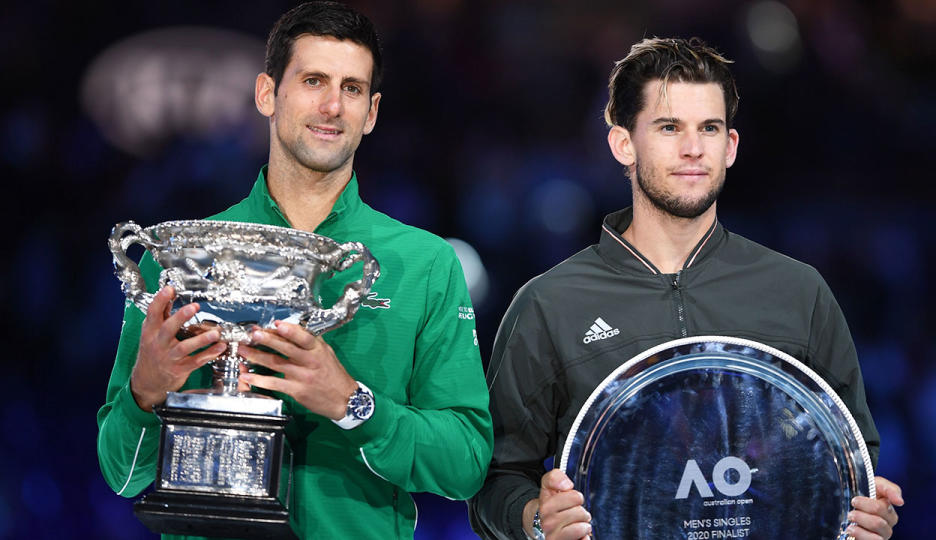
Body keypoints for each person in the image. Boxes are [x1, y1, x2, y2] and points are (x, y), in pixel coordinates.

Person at [468, 37, 903, 540]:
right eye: (669, 127)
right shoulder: (550, 304)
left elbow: (850, 461)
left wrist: (868, 516)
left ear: (731, 146)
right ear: (623, 143)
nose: (693, 148)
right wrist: (536, 518)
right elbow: (495, 479)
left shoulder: (798, 292)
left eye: (710, 128)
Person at [96, 2, 493, 538]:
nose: (332, 105)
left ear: (371, 112)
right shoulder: (183, 255)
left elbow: (466, 464)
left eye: (352, 89)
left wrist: (353, 405)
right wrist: (146, 392)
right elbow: (122, 475)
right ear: (267, 94)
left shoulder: (423, 263)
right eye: (313, 81)